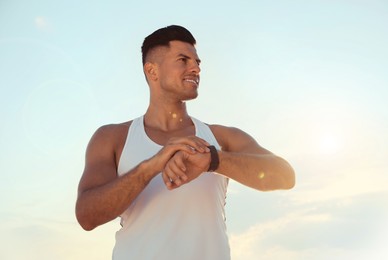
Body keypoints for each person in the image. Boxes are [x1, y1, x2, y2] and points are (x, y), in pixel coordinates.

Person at [75, 25, 295, 260]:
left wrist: (213, 160)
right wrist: (151, 167)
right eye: (183, 59)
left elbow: (285, 176)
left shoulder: (221, 138)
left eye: (197, 62)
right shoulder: (112, 138)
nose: (195, 68)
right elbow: (87, 216)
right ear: (152, 71)